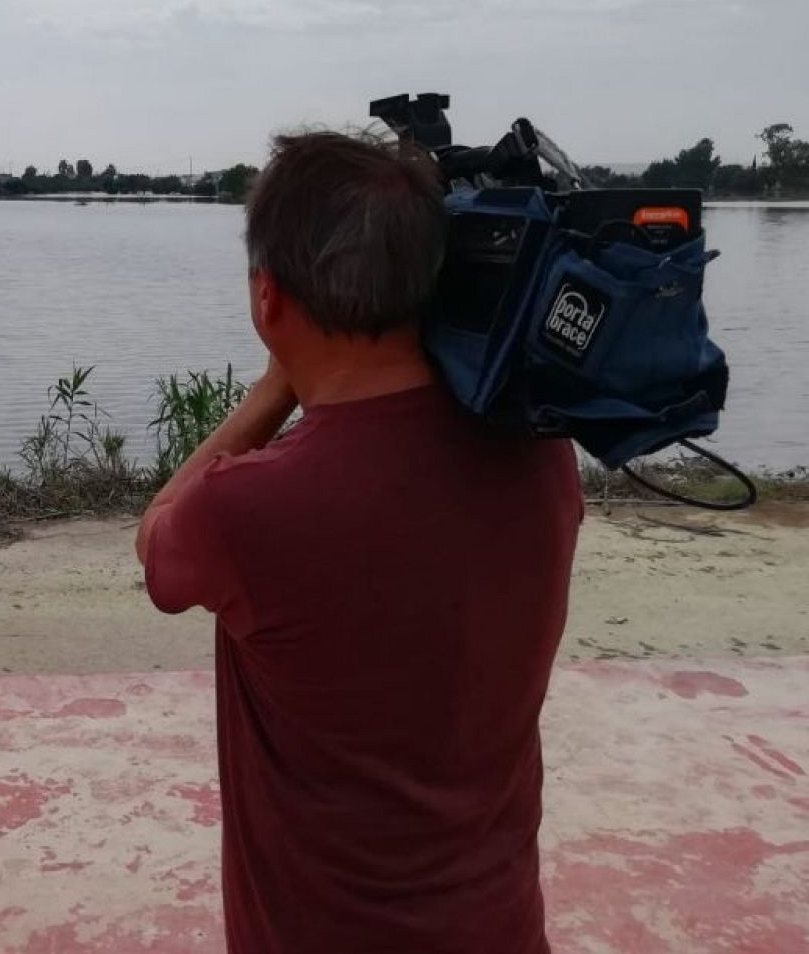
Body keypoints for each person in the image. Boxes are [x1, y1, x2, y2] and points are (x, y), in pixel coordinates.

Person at [137, 131, 581, 954]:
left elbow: (157, 545)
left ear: (269, 298)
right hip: (501, 928)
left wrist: (277, 384)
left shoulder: (245, 510)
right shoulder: (546, 460)